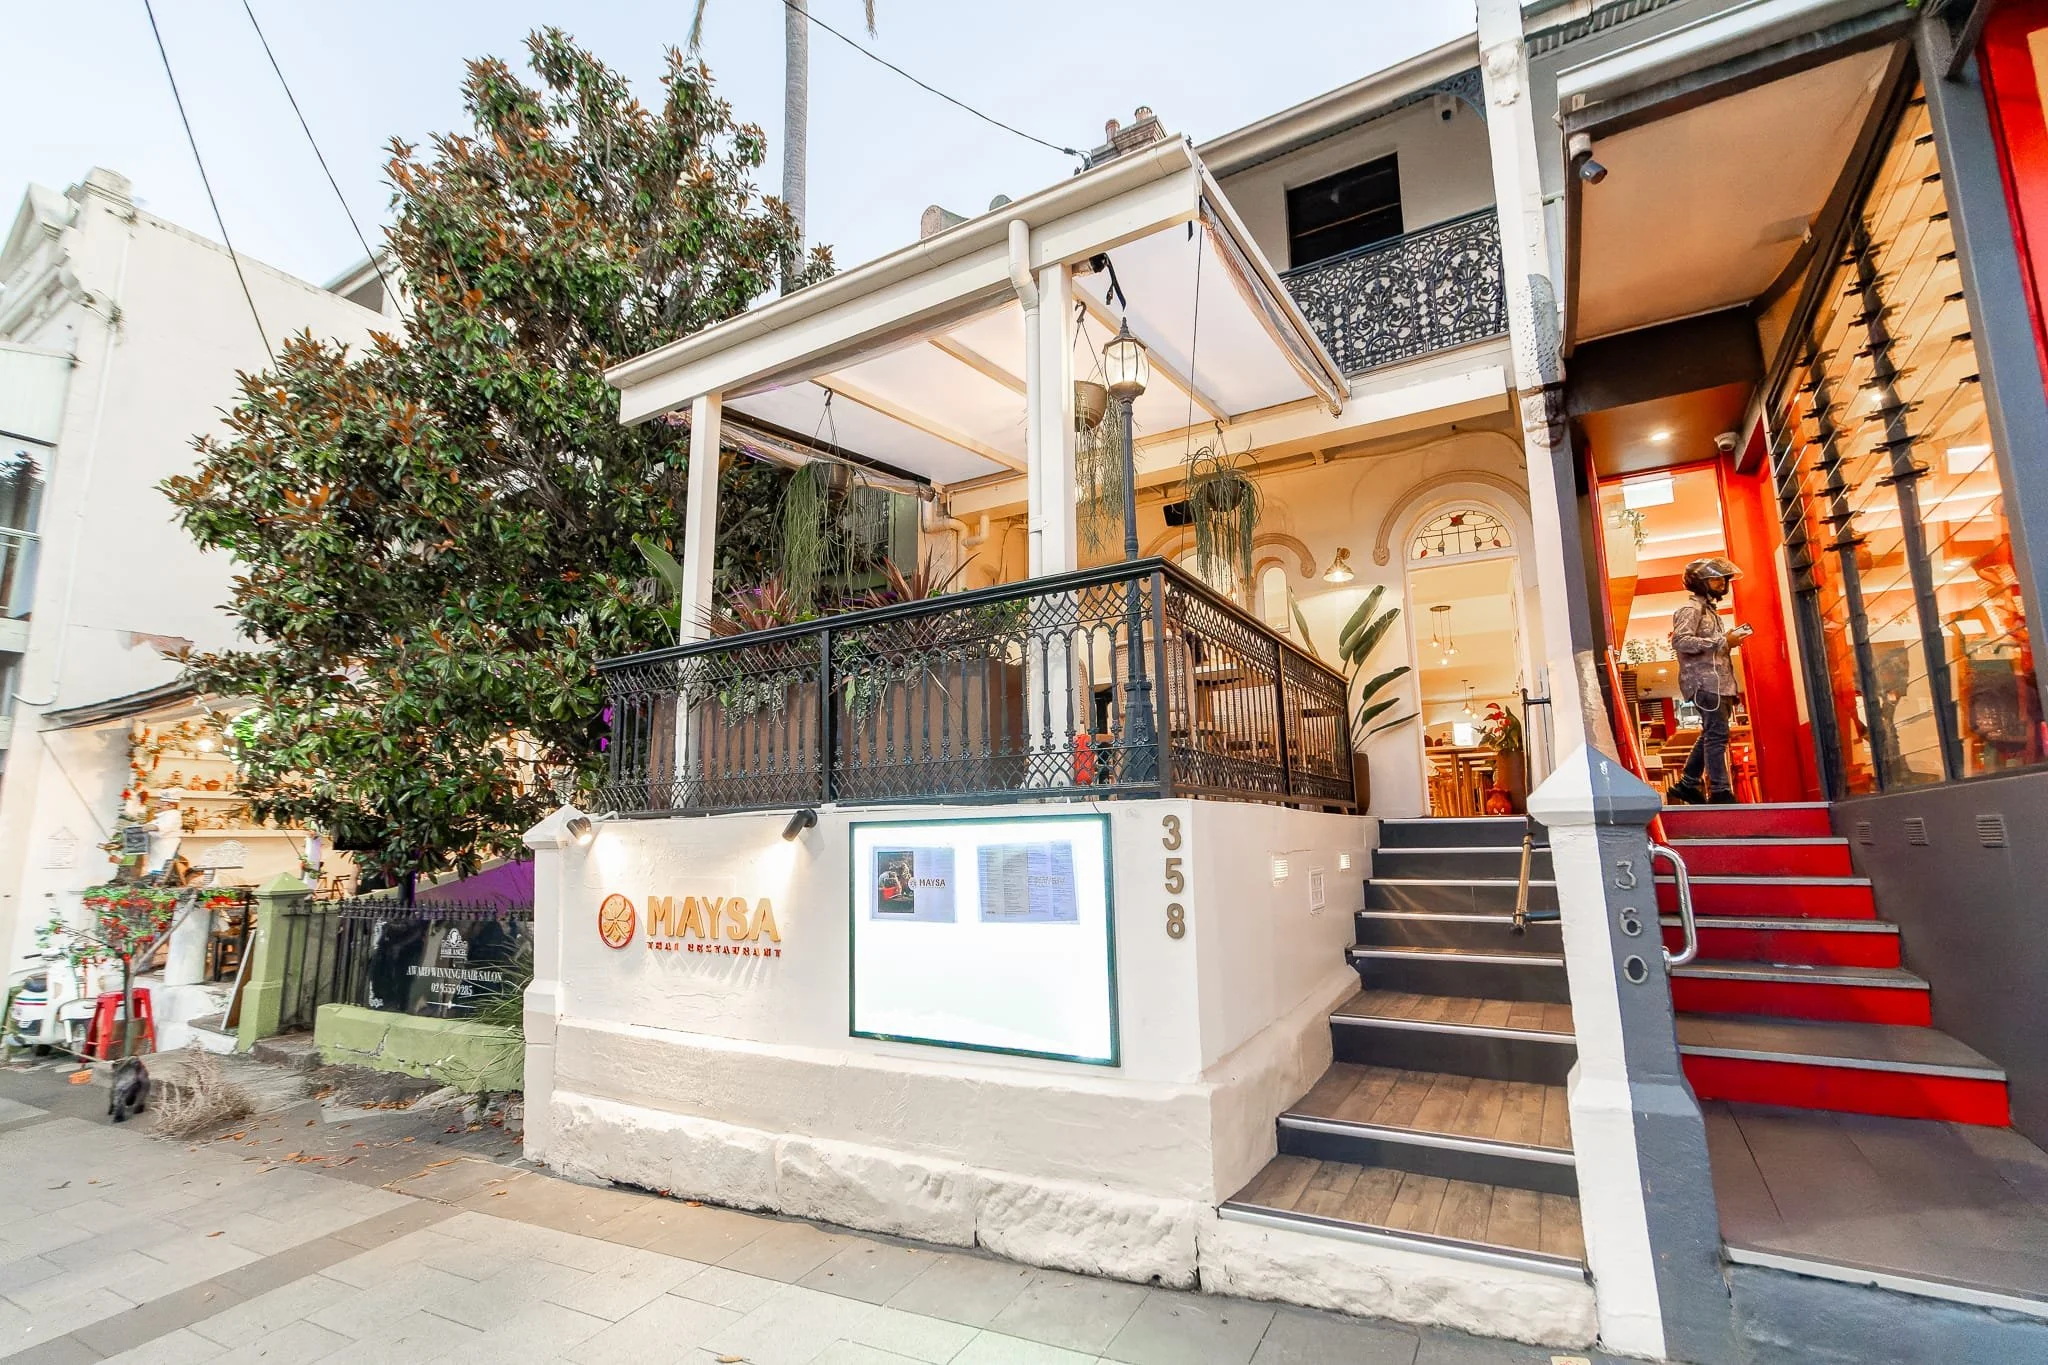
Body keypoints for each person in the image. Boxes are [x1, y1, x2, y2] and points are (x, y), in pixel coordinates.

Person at [1667, 556, 1752, 805]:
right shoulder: (1691, 610)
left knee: (1712, 733)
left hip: (1718, 682)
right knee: (1716, 736)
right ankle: (1720, 791)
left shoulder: (1709, 612)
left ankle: (1688, 783)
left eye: (1722, 580)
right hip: (1705, 683)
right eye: (1715, 579)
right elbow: (1680, 641)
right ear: (1700, 582)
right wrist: (1722, 641)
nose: (1721, 584)